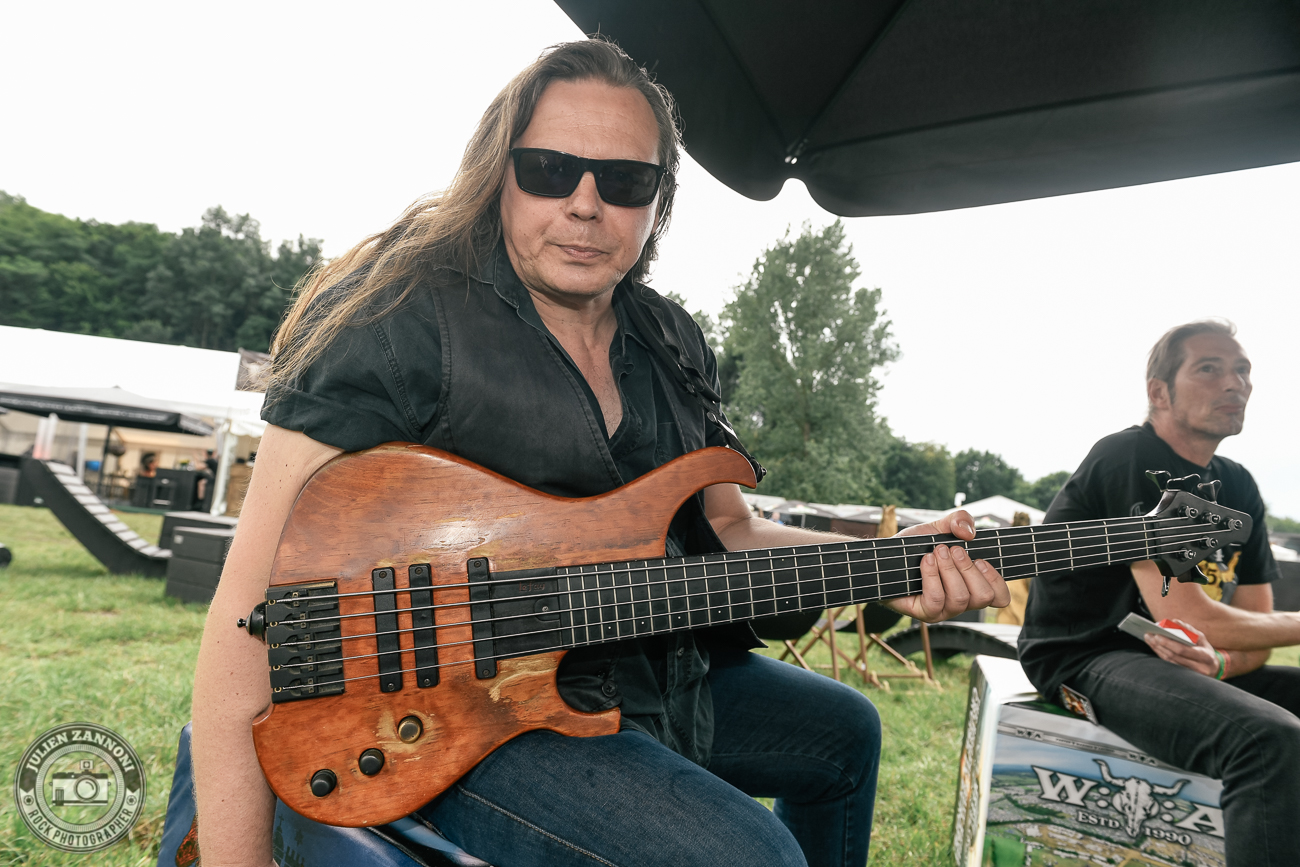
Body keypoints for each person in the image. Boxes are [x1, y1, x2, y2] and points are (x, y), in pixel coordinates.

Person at [191, 39, 1009, 867]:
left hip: (650, 680)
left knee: (844, 732)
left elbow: (729, 529)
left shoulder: (672, 341)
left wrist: (890, 565)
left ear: (659, 201)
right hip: (454, 719)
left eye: (624, 181)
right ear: (498, 172)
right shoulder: (396, 318)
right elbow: (245, 614)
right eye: (549, 170)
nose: (586, 204)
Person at [1019, 320, 1300, 865]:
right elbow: (1193, 615)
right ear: (1159, 391)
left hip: (1182, 666)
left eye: (1242, 370)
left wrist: (1220, 663)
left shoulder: (1239, 485)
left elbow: (1256, 633)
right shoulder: (1129, 458)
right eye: (1209, 368)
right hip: (1086, 654)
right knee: (1267, 740)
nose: (1234, 383)